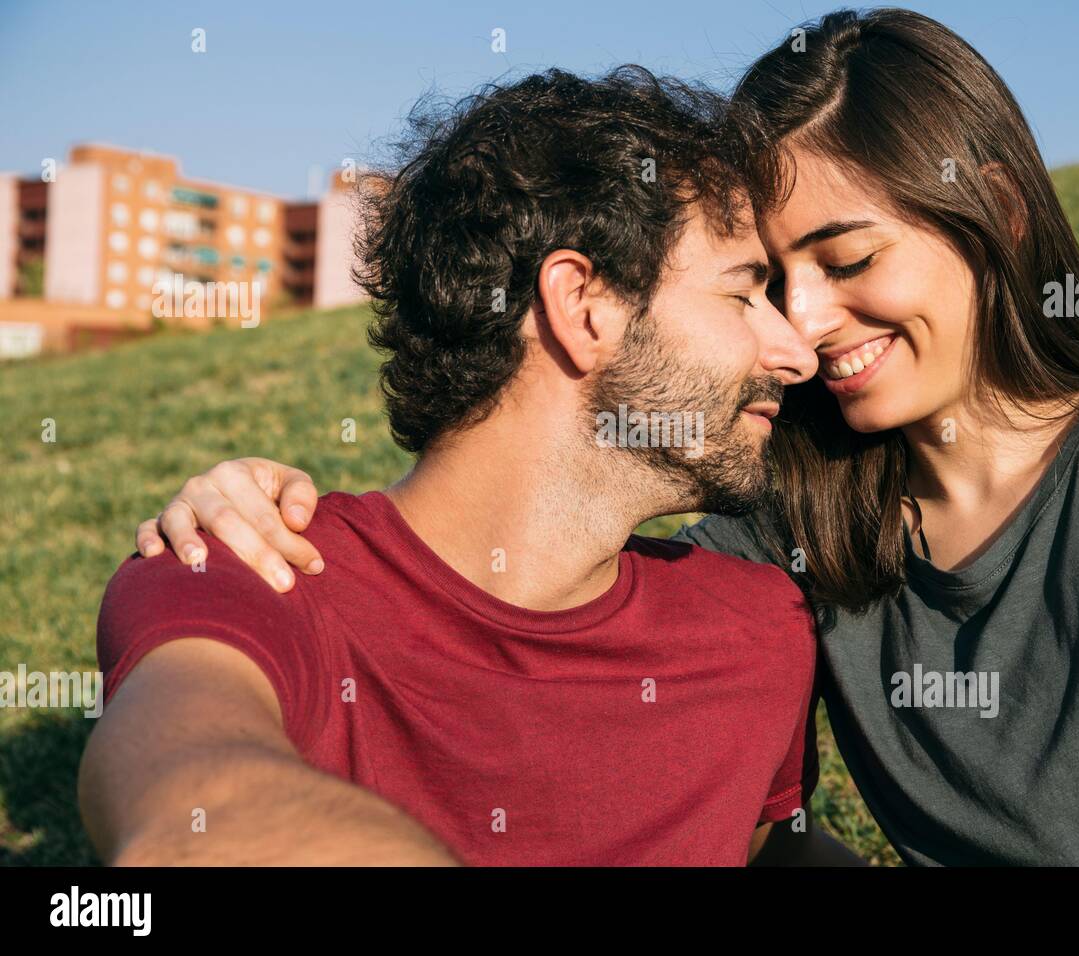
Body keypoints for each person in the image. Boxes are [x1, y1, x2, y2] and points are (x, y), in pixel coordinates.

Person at [141, 10, 1079, 865]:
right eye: (768, 282)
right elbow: (189, 808)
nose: (801, 331)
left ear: (994, 213)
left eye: (847, 263)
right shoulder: (784, 522)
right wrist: (243, 505)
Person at [83, 67, 864, 867]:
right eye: (743, 296)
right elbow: (189, 813)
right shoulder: (248, 568)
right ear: (582, 305)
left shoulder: (760, 630)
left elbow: (775, 847)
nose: (796, 352)